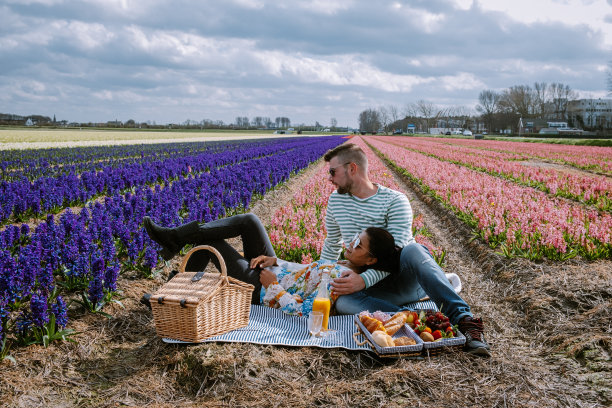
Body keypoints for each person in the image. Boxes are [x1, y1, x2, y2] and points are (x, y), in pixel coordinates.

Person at [320, 143, 491, 356]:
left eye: (332, 171)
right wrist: (320, 281)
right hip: (374, 287)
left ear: (352, 168)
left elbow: (396, 251)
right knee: (344, 301)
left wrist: (362, 279)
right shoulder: (336, 201)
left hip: (403, 279)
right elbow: (332, 243)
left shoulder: (394, 200)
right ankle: (415, 318)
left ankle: (464, 321)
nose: (330, 178)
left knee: (413, 250)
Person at [255, 227, 401, 316]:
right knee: (250, 221)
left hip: (264, 289)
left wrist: (273, 287)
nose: (351, 243)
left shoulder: (341, 277)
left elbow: (306, 313)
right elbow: (306, 272)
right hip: (275, 272)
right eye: (356, 237)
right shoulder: (343, 264)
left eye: (358, 245)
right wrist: (277, 261)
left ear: (370, 261)